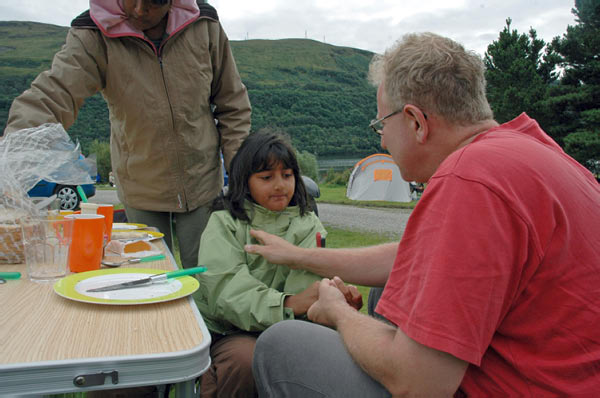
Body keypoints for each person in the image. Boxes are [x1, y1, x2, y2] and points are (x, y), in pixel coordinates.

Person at [246, 32, 600, 397]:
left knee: (281, 345)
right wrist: (296, 256)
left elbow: (419, 385)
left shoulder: (470, 177)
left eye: (381, 124)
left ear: (416, 122)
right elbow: (415, 257)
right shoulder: (531, 151)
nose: (382, 140)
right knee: (386, 293)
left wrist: (339, 314)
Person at [3, 0, 251, 269]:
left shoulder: (204, 23)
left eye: (155, 2)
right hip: (140, 185)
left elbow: (233, 105)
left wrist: (240, 176)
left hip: (203, 183)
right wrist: (13, 155)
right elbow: (54, 94)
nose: (140, 10)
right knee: (148, 277)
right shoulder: (93, 32)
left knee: (209, 276)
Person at [193, 131, 362, 397]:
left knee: (336, 352)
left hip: (285, 326)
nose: (280, 185)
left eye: (287, 175)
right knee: (245, 361)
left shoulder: (308, 225)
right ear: (244, 182)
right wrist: (288, 304)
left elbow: (307, 291)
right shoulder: (224, 222)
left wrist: (332, 307)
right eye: (266, 177)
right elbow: (225, 291)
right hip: (227, 329)